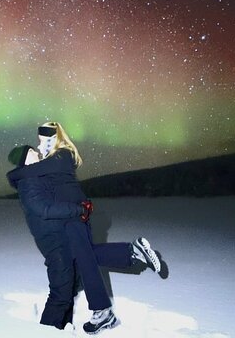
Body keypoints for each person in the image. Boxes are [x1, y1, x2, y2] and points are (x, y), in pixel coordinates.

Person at [35, 121, 162, 335]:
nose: (39, 147)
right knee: (85, 256)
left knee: (85, 259)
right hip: (71, 215)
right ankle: (131, 252)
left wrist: (20, 167)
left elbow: (32, 173)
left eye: (41, 141)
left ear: (51, 139)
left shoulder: (62, 155)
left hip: (75, 216)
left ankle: (103, 310)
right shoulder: (55, 159)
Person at [7, 144, 82, 331]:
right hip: (52, 240)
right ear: (24, 160)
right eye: (33, 152)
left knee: (72, 283)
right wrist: (77, 210)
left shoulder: (38, 177)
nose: (38, 153)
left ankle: (64, 326)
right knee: (61, 291)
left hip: (62, 235)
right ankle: (47, 331)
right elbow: (44, 209)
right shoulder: (28, 180)